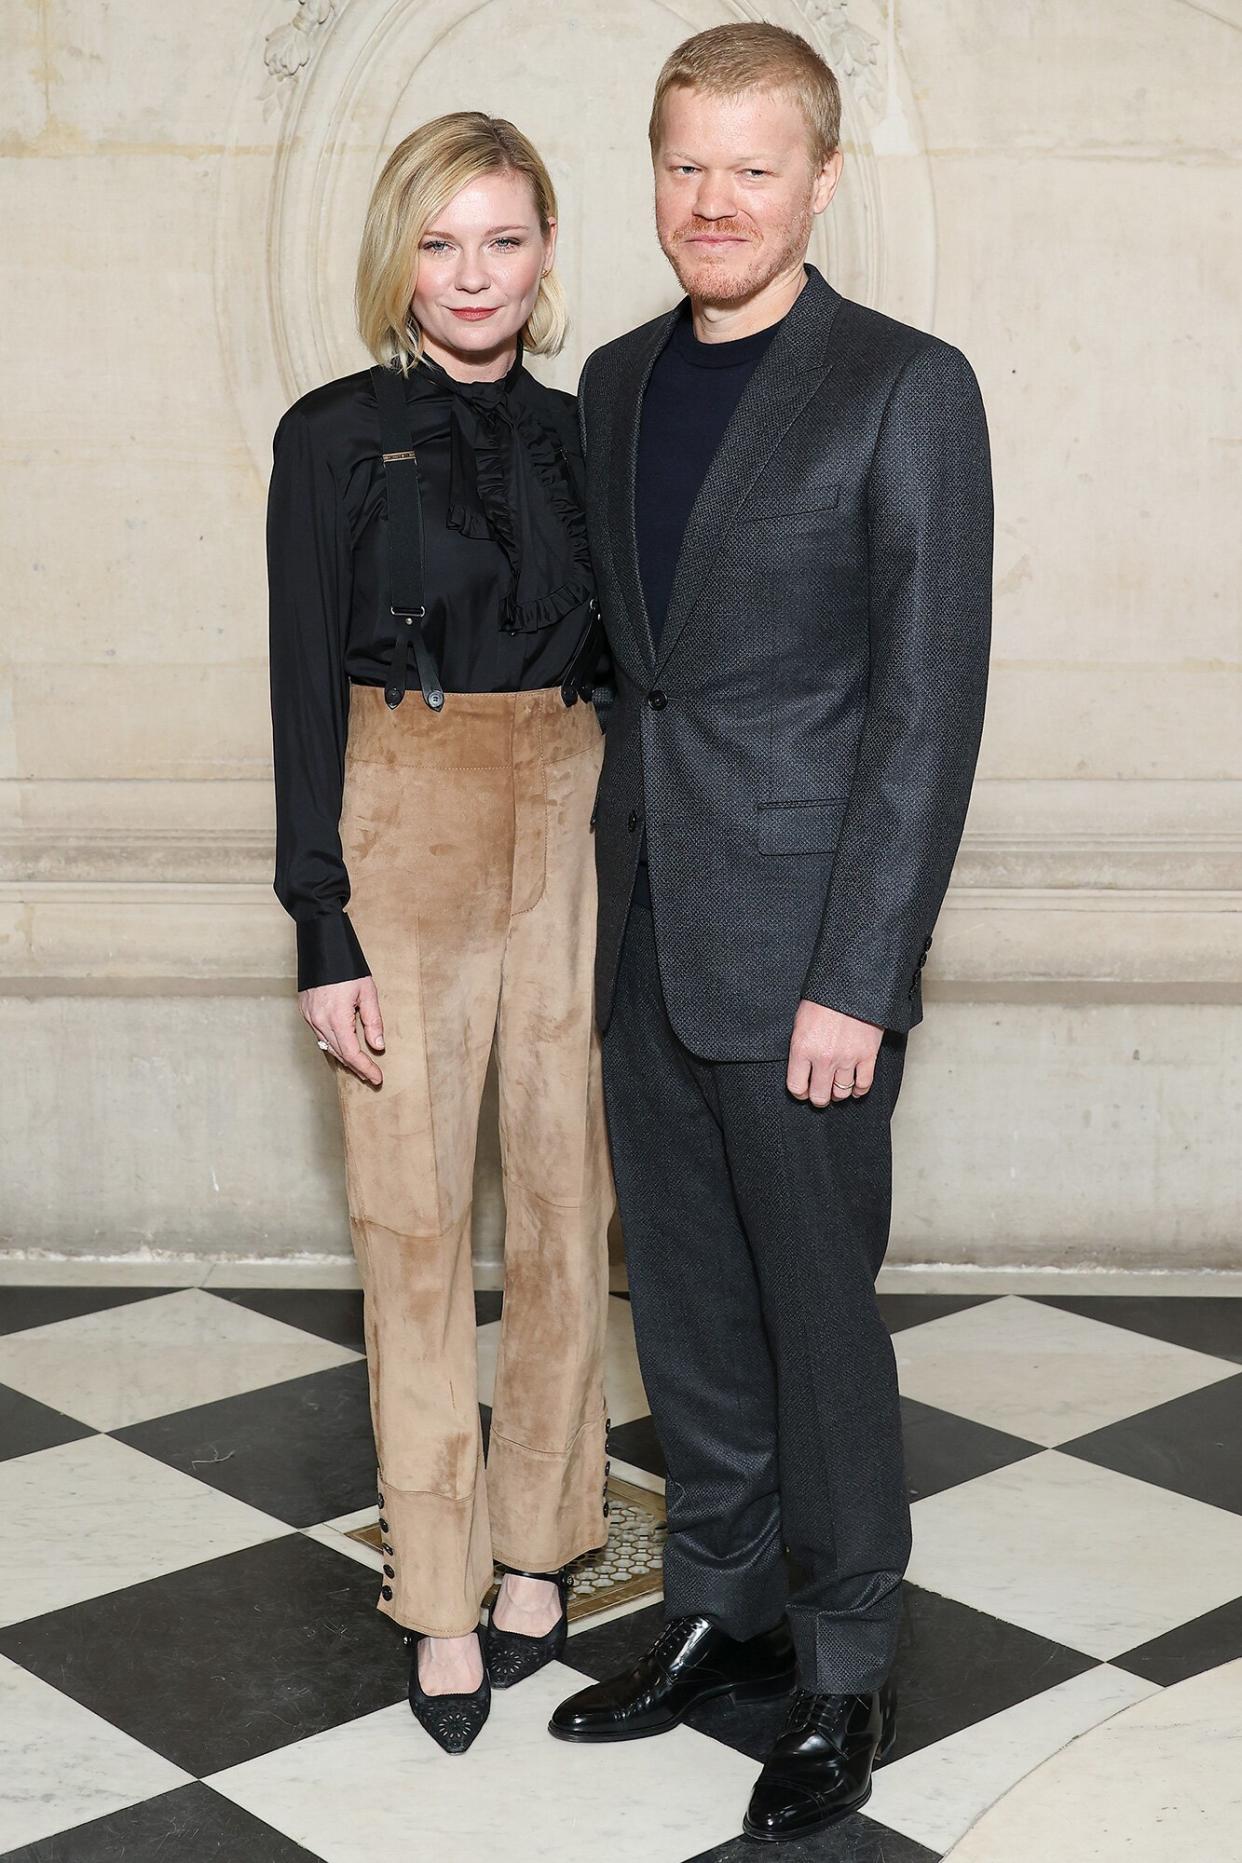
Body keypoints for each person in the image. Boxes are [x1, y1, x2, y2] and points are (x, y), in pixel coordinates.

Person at [550, 23, 993, 1844]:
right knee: (696, 1316)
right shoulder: (614, 379)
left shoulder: (905, 386)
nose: (712, 200)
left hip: (805, 952)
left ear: (818, 177)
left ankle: (842, 1661)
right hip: (644, 920)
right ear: (651, 171)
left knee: (818, 1325)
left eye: (751, 165)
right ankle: (717, 1614)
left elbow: (923, 707)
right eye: (683, 162)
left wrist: (857, 976)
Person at [266, 111, 614, 1755]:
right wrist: (317, 921)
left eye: (503, 238)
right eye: (440, 239)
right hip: (396, 817)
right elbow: (290, 688)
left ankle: (546, 1543)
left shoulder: (591, 428)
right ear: (398, 254)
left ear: (546, 252)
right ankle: (441, 1591)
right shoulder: (330, 435)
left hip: (566, 812)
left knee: (566, 1203)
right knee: (411, 1227)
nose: (471, 273)